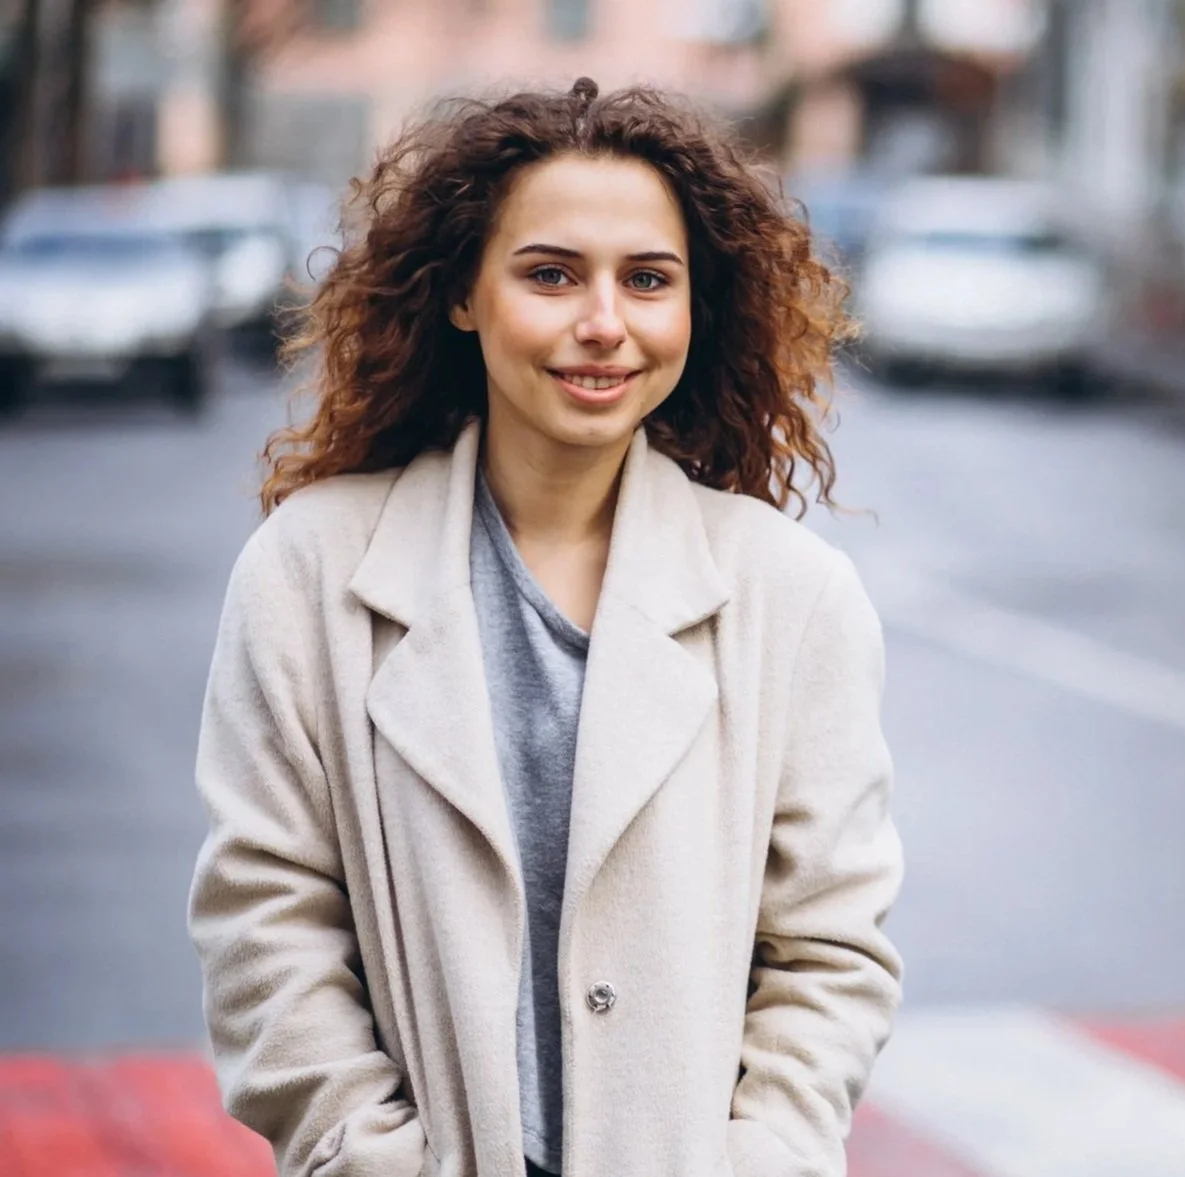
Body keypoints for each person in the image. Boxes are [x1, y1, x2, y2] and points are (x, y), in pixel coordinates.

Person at [187, 77, 905, 1177]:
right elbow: (265, 919)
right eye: (550, 274)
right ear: (462, 295)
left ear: (694, 308)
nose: (603, 324)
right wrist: (368, 1155)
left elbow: (829, 952)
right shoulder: (310, 571)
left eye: (648, 280)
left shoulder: (791, 595)